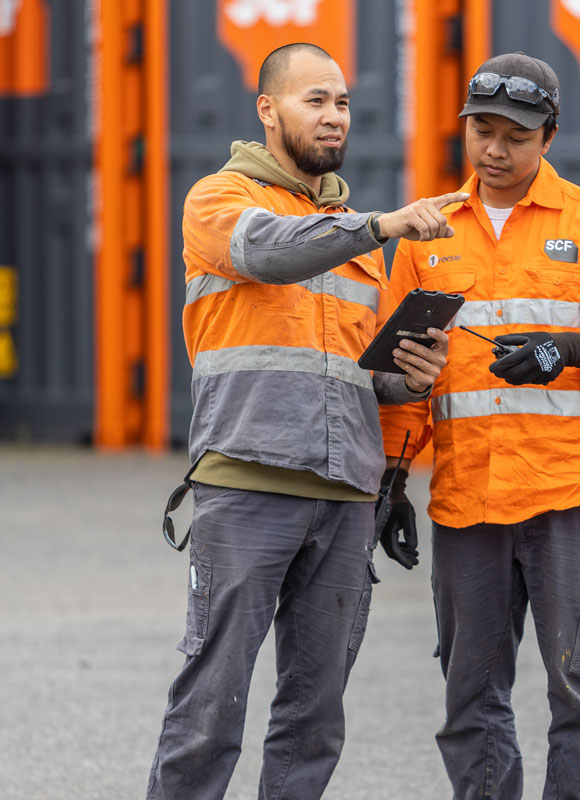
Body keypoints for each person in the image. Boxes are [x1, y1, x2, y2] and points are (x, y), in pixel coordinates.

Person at [146, 42, 468, 800]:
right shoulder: (219, 201)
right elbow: (269, 255)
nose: (333, 116)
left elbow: (348, 370)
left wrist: (401, 378)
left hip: (345, 495)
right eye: (314, 99)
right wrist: (380, 226)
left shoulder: (354, 234)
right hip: (248, 485)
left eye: (343, 102)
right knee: (209, 709)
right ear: (268, 110)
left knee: (315, 716)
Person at [377, 52, 580, 799]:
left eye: (516, 133)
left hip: (572, 495)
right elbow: (405, 370)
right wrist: (390, 478)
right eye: (482, 130)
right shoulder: (427, 231)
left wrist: (571, 349)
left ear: (550, 136)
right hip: (469, 499)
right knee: (469, 703)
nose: (496, 149)